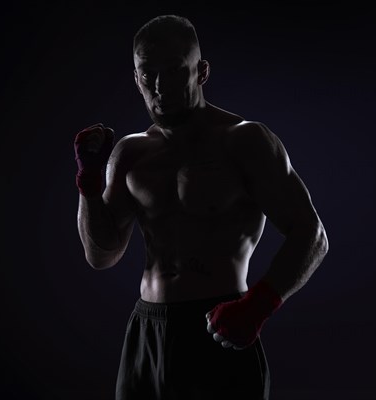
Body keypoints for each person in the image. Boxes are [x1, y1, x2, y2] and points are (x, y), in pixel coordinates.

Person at [74, 14, 329, 400]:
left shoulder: (244, 141)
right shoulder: (130, 153)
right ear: (136, 77)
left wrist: (257, 306)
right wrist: (90, 186)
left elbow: (313, 235)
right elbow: (101, 255)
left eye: (175, 71)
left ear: (201, 71)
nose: (160, 87)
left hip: (220, 329)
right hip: (147, 331)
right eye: (148, 75)